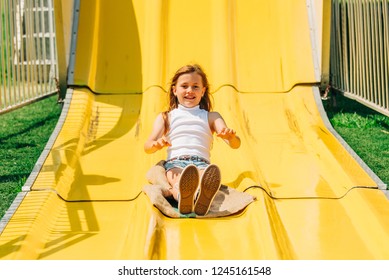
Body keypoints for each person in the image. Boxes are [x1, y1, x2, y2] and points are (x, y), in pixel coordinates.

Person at [144, 64, 241, 216]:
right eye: (184, 86)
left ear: (203, 91)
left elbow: (235, 145)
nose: (190, 90)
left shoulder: (211, 117)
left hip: (201, 164)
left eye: (195, 87)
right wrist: (156, 144)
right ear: (175, 90)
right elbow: (147, 145)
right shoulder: (166, 117)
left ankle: (200, 198)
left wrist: (231, 137)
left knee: (204, 180)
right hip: (176, 162)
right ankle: (184, 199)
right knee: (177, 182)